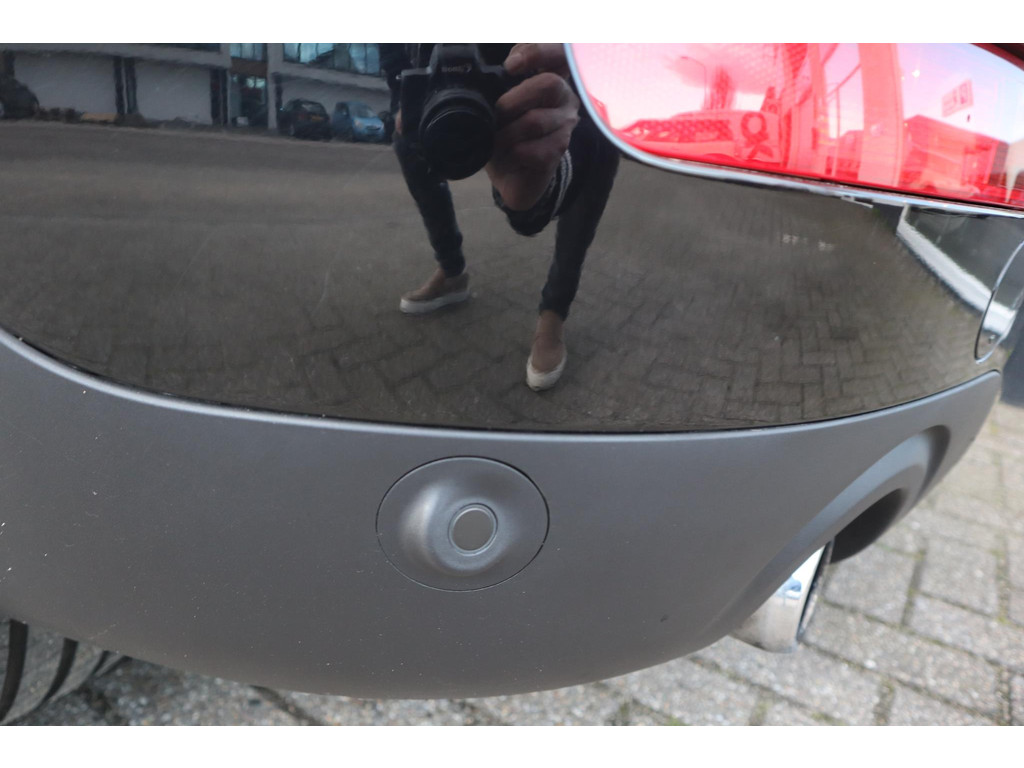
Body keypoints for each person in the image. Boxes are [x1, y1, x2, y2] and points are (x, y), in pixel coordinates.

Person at [385, 43, 619, 390]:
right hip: (438, 79)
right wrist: (406, 102)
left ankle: (553, 313)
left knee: (589, 131)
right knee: (406, 140)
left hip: (525, 73)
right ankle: (452, 271)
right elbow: (393, 59)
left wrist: (535, 193)